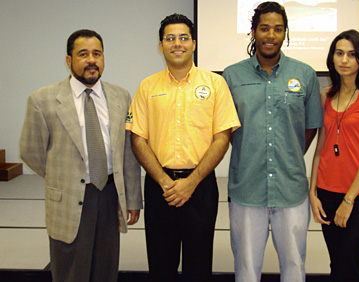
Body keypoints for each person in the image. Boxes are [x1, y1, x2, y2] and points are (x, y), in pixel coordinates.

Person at [19, 29, 142, 282]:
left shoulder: (121, 97)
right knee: (71, 272)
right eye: (83, 54)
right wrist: (64, 175)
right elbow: (31, 152)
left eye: (97, 54)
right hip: (69, 199)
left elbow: (127, 153)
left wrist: (132, 198)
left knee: (106, 270)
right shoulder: (43, 100)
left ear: (104, 59)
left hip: (109, 196)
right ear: (69, 60)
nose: (91, 60)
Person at [126, 13, 240, 282]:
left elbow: (222, 138)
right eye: (170, 38)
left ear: (194, 43)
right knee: (160, 265)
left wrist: (191, 182)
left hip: (200, 188)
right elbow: (137, 139)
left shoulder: (215, 84)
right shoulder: (147, 86)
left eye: (183, 38)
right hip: (158, 188)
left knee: (199, 266)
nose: (177, 43)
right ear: (160, 45)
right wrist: (166, 182)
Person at [222, 2, 323, 282]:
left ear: (285, 33)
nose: (270, 35)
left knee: (294, 266)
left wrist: (288, 153)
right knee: (246, 269)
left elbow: (310, 127)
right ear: (253, 32)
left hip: (291, 189)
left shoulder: (305, 74)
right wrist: (252, 149)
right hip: (246, 189)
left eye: (278, 29)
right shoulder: (231, 76)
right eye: (264, 28)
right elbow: (225, 130)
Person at [309, 29, 359, 282]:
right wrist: (312, 193)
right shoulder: (326, 95)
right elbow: (321, 147)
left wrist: (349, 200)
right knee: (336, 264)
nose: (344, 60)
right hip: (327, 191)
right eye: (339, 53)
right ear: (332, 58)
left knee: (351, 265)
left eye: (352, 55)